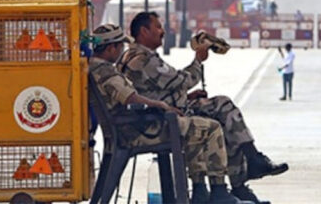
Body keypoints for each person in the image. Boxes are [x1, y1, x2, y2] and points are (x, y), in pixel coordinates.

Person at [119, 12, 288, 204]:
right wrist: (198, 60)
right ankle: (226, 186)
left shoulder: (137, 56)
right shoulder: (142, 59)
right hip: (160, 121)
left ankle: (247, 168)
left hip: (164, 112)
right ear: (143, 31)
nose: (162, 31)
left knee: (223, 106)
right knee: (215, 124)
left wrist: (187, 96)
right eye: (157, 27)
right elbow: (183, 80)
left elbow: (158, 89)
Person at [89, 24, 249, 204]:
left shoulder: (96, 67)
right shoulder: (105, 70)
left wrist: (183, 98)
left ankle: (200, 192)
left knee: (192, 126)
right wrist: (161, 105)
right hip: (138, 133)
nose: (121, 50)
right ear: (111, 48)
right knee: (210, 128)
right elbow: (129, 97)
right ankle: (219, 191)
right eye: (120, 46)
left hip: (129, 128)